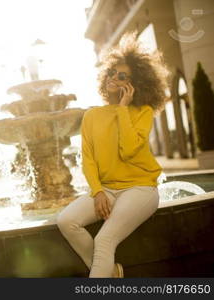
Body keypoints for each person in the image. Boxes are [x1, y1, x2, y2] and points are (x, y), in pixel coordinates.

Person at [57, 31, 170, 278]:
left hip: (140, 188)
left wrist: (122, 109)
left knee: (105, 239)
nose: (113, 78)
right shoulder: (92, 116)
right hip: (106, 188)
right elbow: (88, 158)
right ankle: (110, 273)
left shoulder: (142, 112)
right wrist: (97, 191)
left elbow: (129, 151)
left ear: (134, 84)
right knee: (66, 221)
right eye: (111, 72)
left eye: (122, 76)